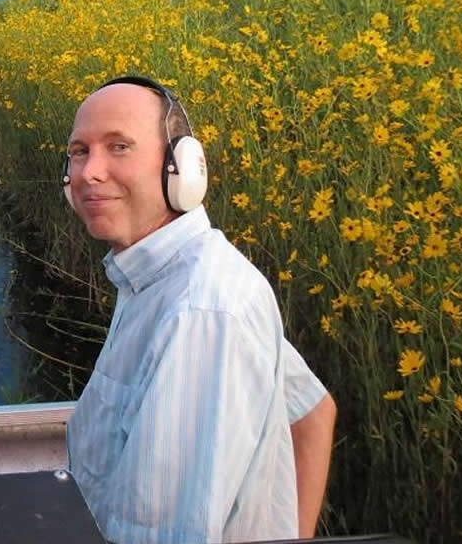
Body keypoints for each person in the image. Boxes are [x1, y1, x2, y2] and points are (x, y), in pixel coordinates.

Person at [62, 75, 336, 544]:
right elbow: (311, 413)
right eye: (79, 151)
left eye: (119, 147)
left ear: (182, 168)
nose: (89, 172)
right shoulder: (164, 276)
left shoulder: (201, 312)